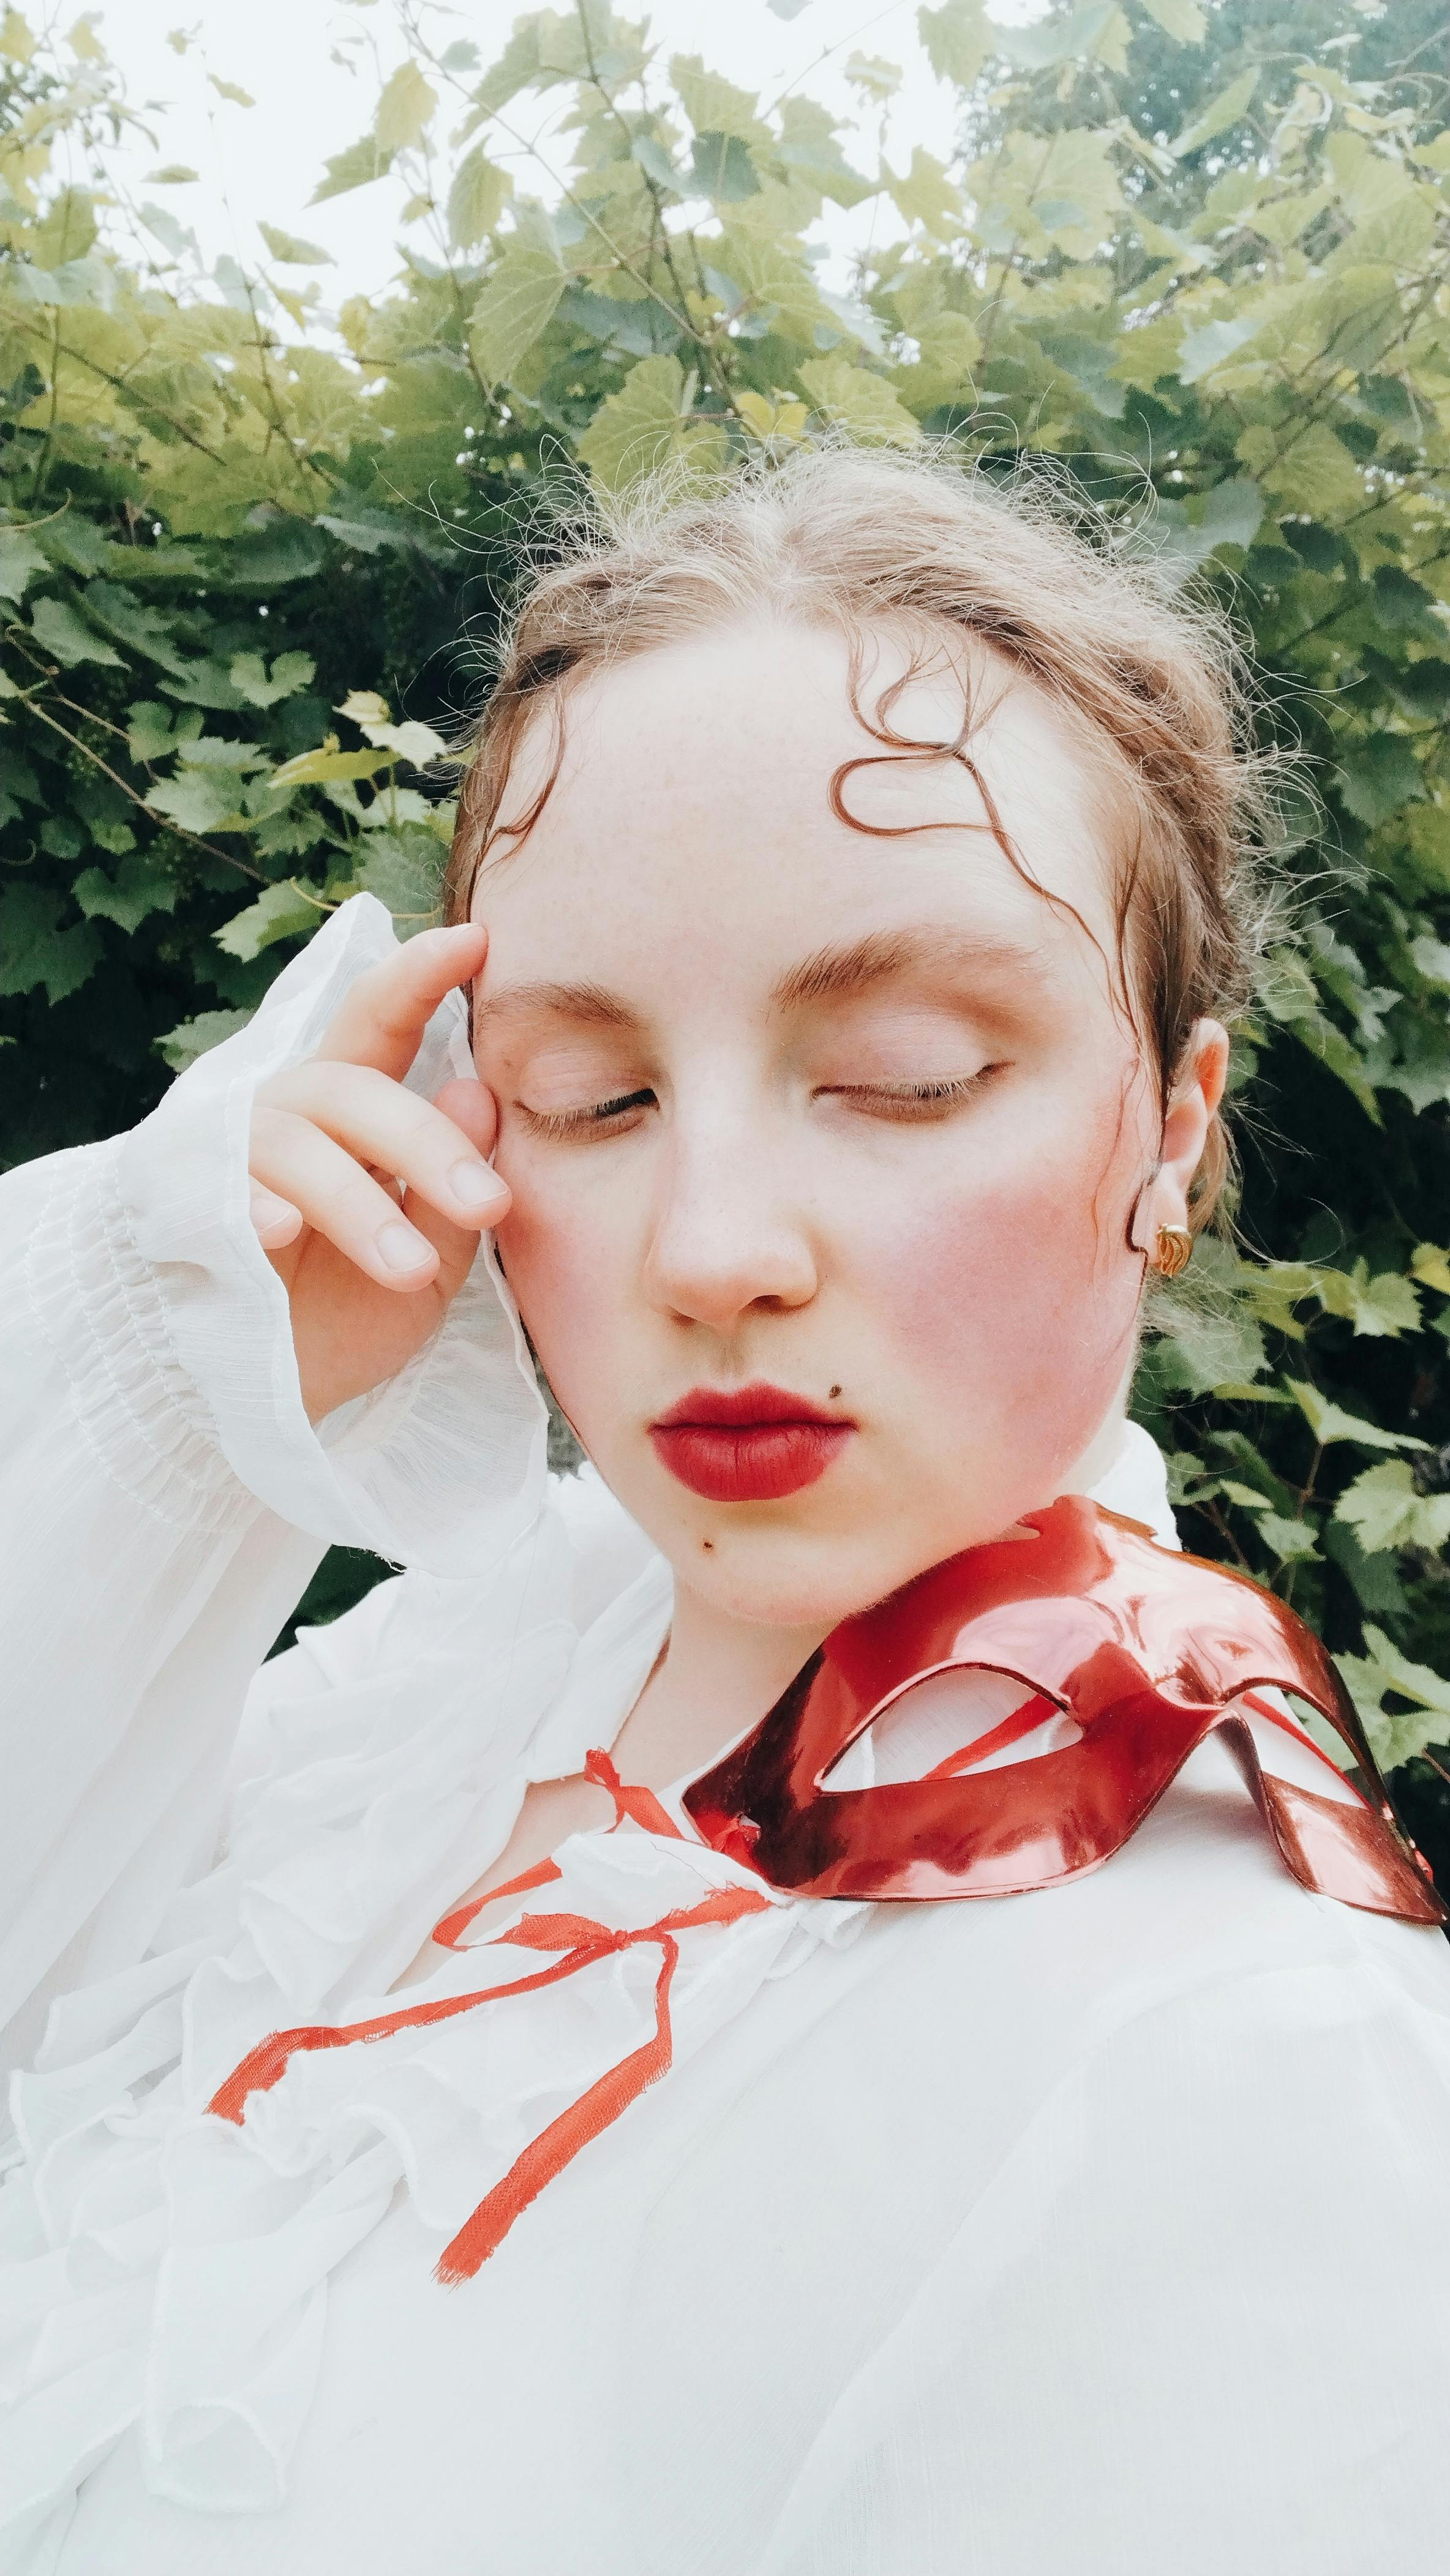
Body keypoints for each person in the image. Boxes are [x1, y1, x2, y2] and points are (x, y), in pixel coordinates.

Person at [2, 446, 1449, 2575]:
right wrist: (176, 1386)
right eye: (592, 1097)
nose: (710, 1247)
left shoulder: (1215, 2060)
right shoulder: (428, 1685)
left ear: (1174, 1124)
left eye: (905, 1073)